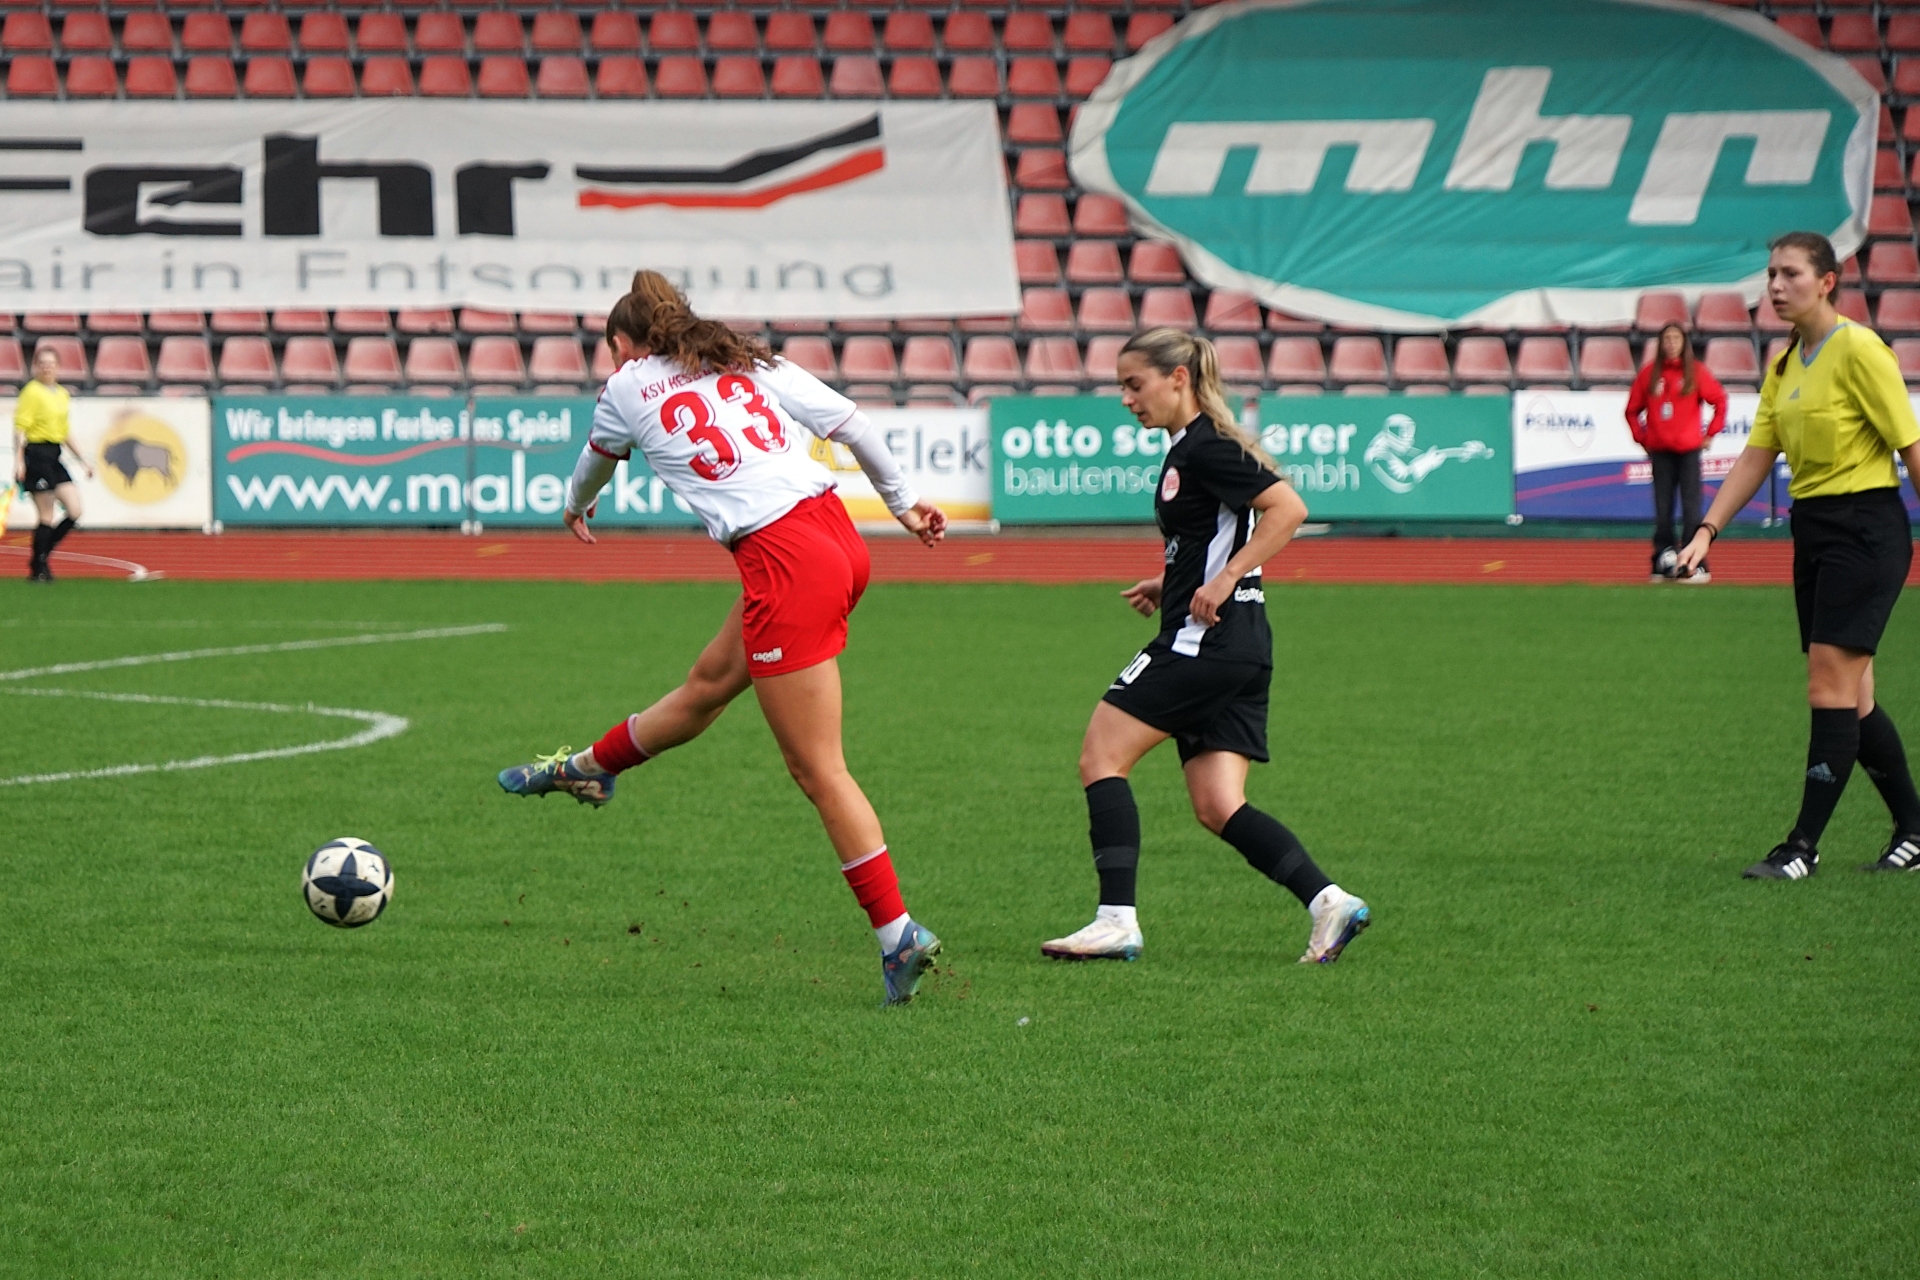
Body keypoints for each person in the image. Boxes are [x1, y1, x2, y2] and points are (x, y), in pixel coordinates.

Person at [497, 271, 952, 1004]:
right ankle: (589, 767)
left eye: (611, 349)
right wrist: (903, 504)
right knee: (707, 687)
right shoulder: (744, 358)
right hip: (837, 538)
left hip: (784, 562)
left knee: (818, 769)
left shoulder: (626, 386)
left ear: (624, 344)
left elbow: (594, 463)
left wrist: (573, 508)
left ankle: (898, 935)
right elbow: (854, 425)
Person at [1041, 328, 1371, 964]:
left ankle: (1115, 921)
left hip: (1204, 642)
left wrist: (1221, 579)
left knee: (1100, 757)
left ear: (1178, 378)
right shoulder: (1192, 448)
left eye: (1134, 385)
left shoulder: (1205, 447)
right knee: (1219, 805)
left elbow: (1288, 509)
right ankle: (1329, 902)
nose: (1126, 399)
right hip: (1241, 645)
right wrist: (1171, 579)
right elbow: (1220, 533)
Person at [1677, 231, 1920, 878]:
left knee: (1827, 687)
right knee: (1854, 698)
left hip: (1864, 530)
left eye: (1790, 274)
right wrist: (1707, 530)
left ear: (1827, 281)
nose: (1776, 286)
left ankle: (1801, 847)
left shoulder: (1861, 350)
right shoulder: (1785, 363)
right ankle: (1915, 829)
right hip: (1814, 532)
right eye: (1771, 275)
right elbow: (1758, 454)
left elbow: (1911, 446)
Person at [1627, 322, 1728, 583]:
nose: (1671, 343)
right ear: (1660, 343)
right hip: (1660, 452)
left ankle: (1695, 561)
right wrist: (1642, 438)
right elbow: (1632, 410)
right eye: (1667, 338)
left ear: (1684, 343)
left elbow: (1719, 401)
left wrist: (1710, 434)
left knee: (1692, 508)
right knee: (1663, 509)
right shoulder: (1649, 374)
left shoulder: (1695, 371)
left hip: (1689, 451)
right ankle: (1662, 559)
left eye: (1676, 338)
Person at [12, 347, 91, 582]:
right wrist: (19, 461)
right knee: (46, 514)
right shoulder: (31, 392)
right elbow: (20, 429)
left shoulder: (61, 394)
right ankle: (39, 568)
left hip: (54, 454)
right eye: (43, 363)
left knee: (75, 510)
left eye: (51, 363)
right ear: (36, 366)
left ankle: (41, 555)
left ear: (58, 367)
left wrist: (82, 460)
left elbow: (64, 432)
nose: (47, 367)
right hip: (36, 453)